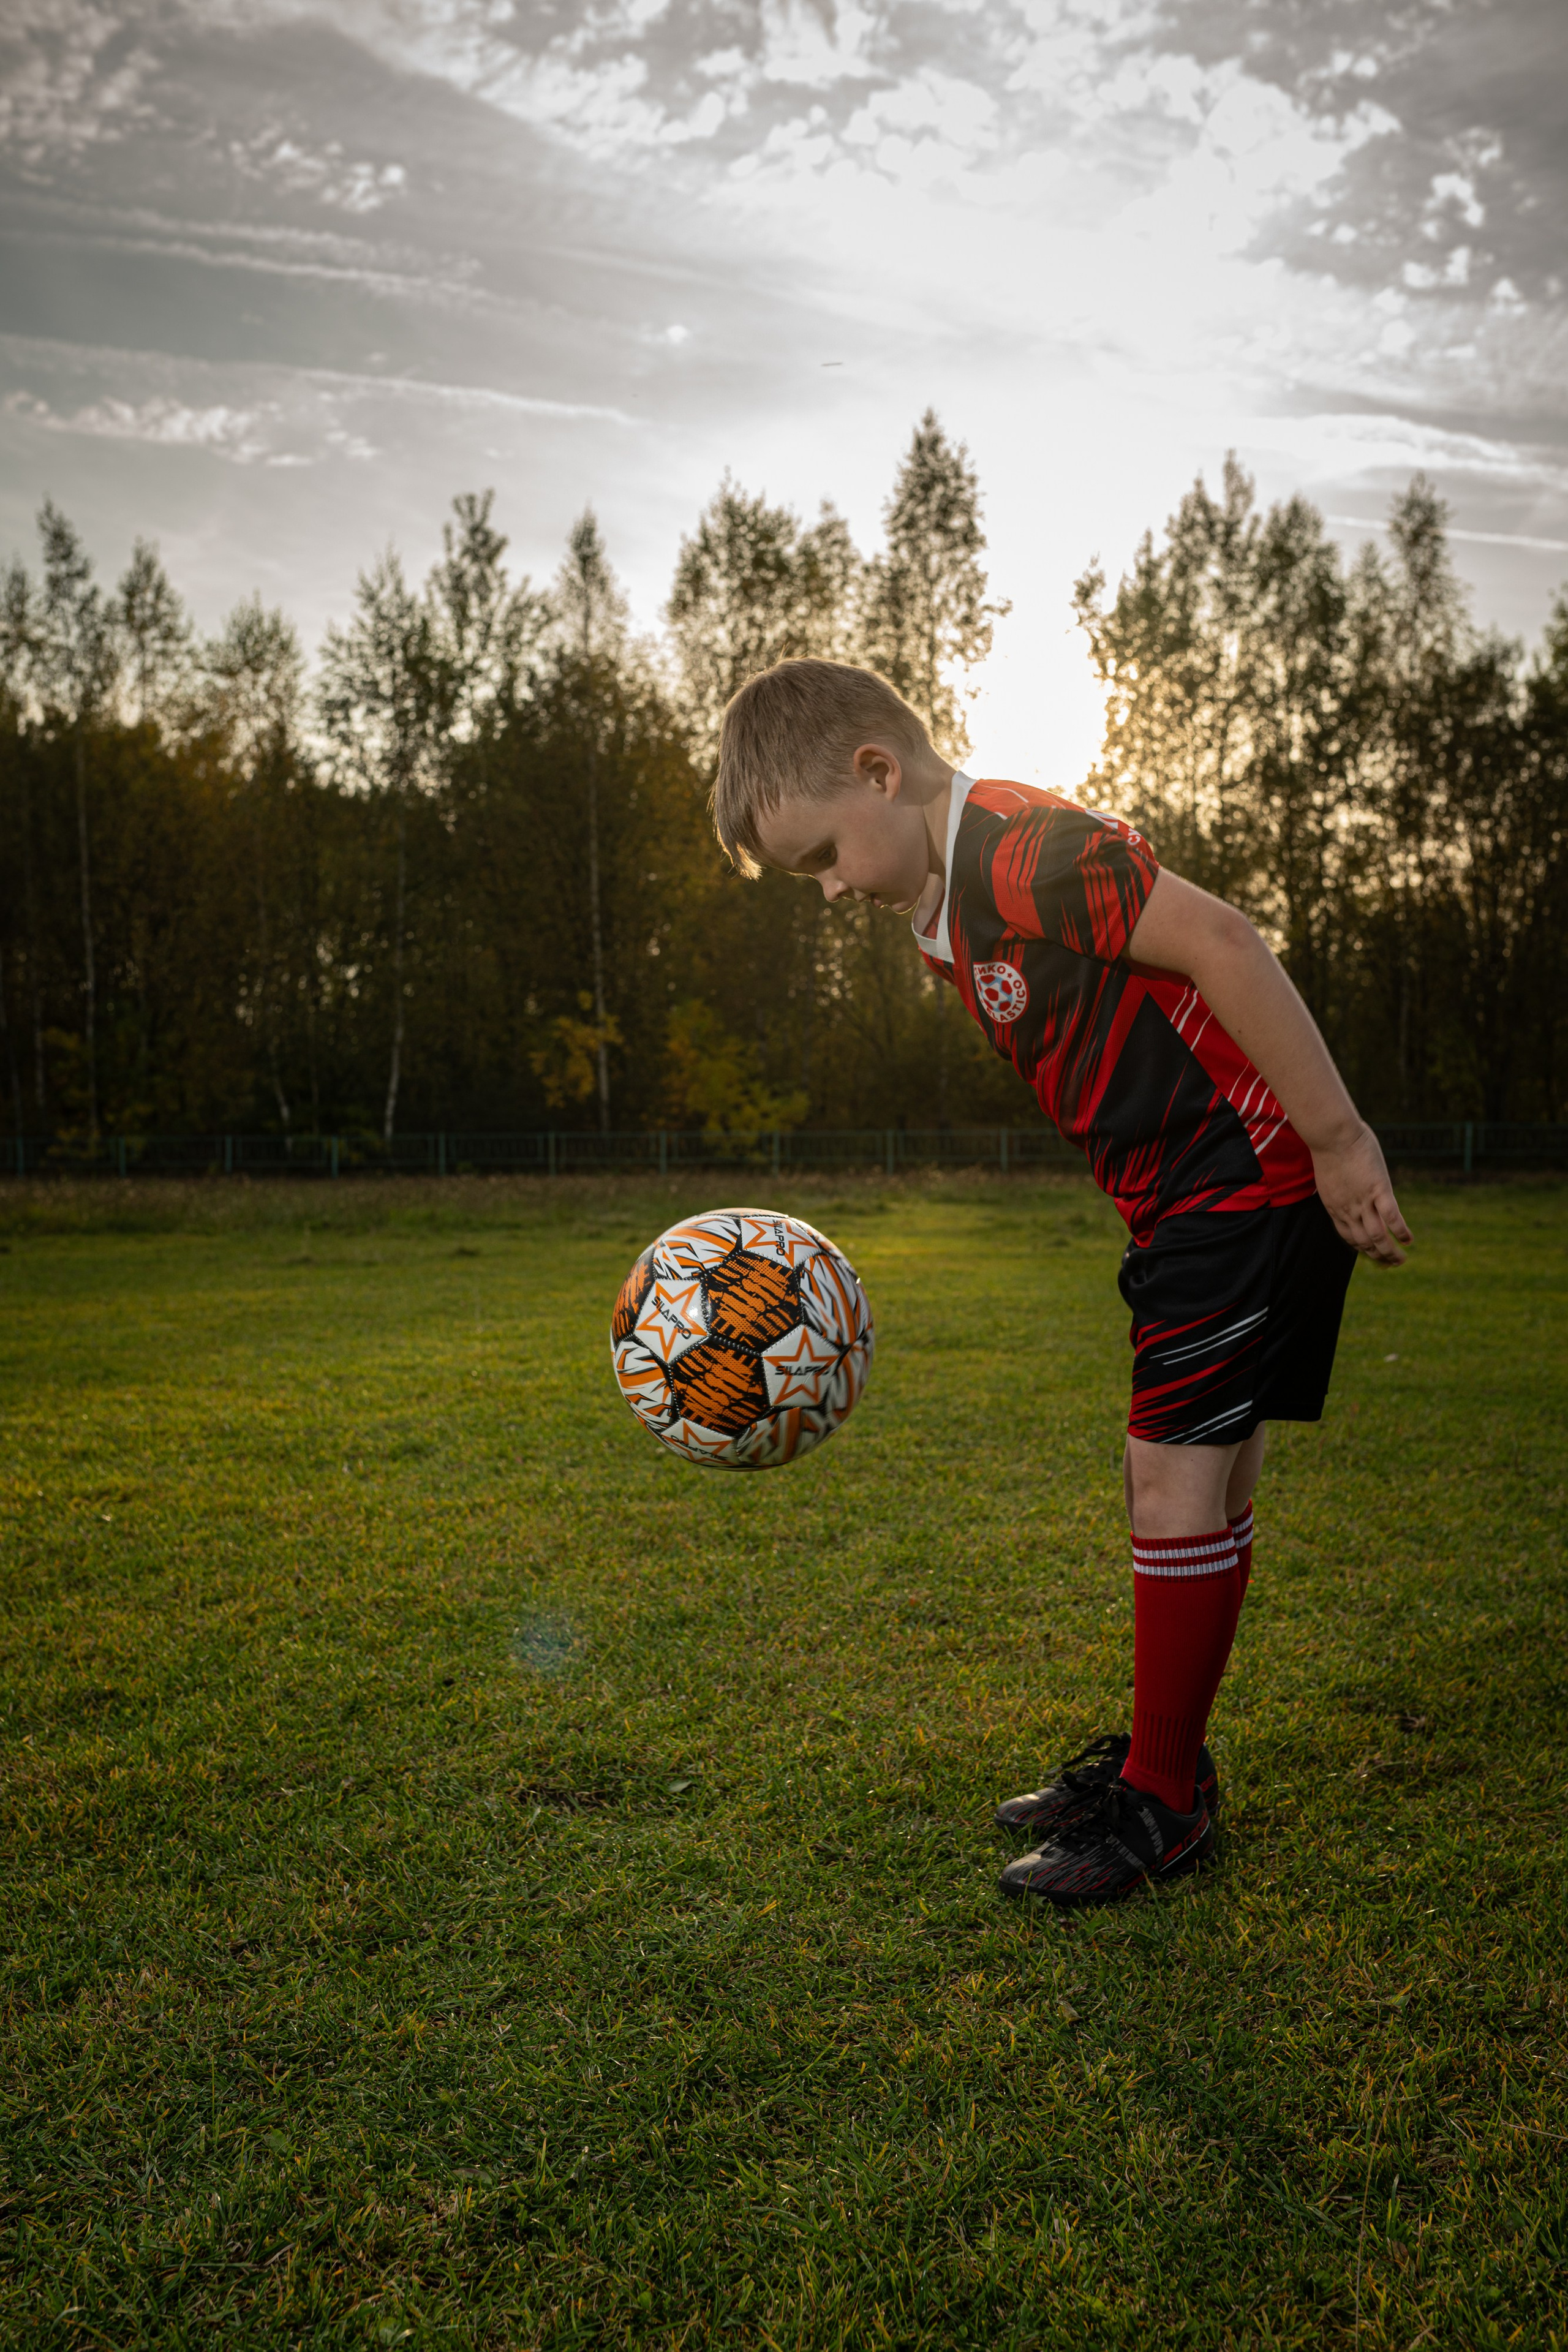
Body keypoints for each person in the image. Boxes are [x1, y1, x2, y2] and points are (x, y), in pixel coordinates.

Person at [712, 657, 1411, 1910]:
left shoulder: (1020, 848)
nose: (824, 889)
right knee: (1211, 1472)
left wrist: (1337, 1137)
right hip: (1186, 1199)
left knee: (1169, 1476)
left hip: (1237, 1181)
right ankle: (1167, 1765)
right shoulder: (942, 908)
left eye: (820, 854)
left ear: (877, 772)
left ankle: (1159, 1804)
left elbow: (1217, 940)